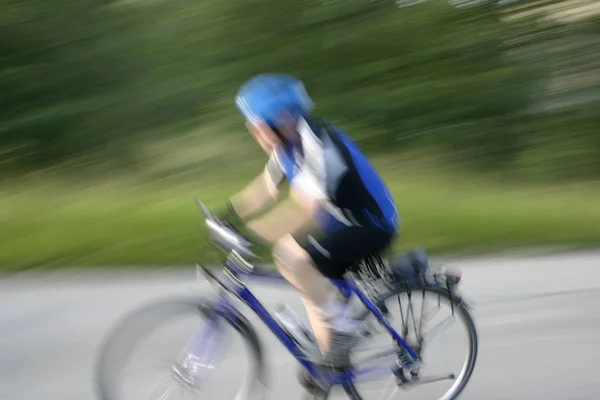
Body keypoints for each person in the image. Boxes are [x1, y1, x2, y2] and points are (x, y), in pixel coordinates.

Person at [216, 74, 400, 371]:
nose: (254, 133)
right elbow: (265, 188)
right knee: (306, 281)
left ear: (284, 119)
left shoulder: (318, 146)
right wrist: (227, 216)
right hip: (340, 224)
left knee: (294, 259)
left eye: (259, 126)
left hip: (372, 226)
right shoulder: (286, 145)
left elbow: (303, 210)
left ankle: (344, 330)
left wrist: (250, 234)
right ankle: (333, 364)